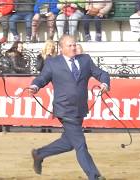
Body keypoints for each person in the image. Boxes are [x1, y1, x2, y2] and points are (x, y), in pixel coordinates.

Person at [28, 35, 109, 180]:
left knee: (69, 142)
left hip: (80, 109)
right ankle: (94, 176)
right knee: (80, 144)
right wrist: (34, 86)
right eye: (69, 46)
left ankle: (39, 154)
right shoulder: (53, 63)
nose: (73, 48)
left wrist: (104, 83)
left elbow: (101, 73)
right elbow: (42, 78)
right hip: (64, 109)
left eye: (74, 45)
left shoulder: (85, 60)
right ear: (61, 48)